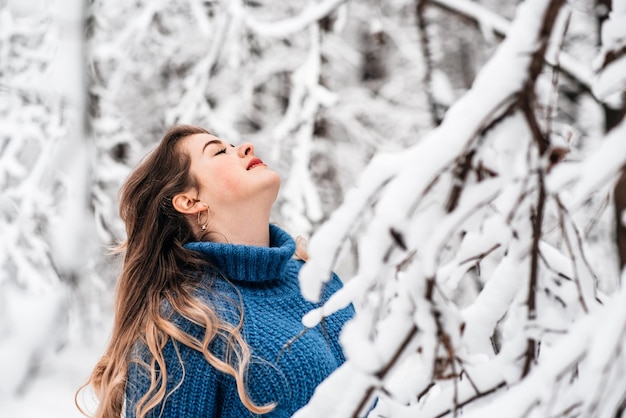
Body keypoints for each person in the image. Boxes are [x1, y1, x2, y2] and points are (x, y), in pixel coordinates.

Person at [79, 125, 354, 418]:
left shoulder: (318, 280)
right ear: (190, 201)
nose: (246, 147)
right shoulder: (186, 323)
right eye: (220, 151)